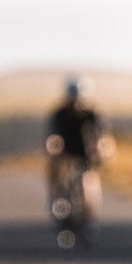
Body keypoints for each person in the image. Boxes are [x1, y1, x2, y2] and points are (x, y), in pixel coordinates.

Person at [43, 77, 108, 231]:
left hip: (86, 154)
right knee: (56, 174)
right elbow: (53, 136)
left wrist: (103, 152)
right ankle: (56, 199)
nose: (77, 103)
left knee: (90, 182)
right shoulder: (60, 114)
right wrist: (53, 152)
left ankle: (90, 214)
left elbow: (103, 136)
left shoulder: (92, 114)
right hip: (65, 153)